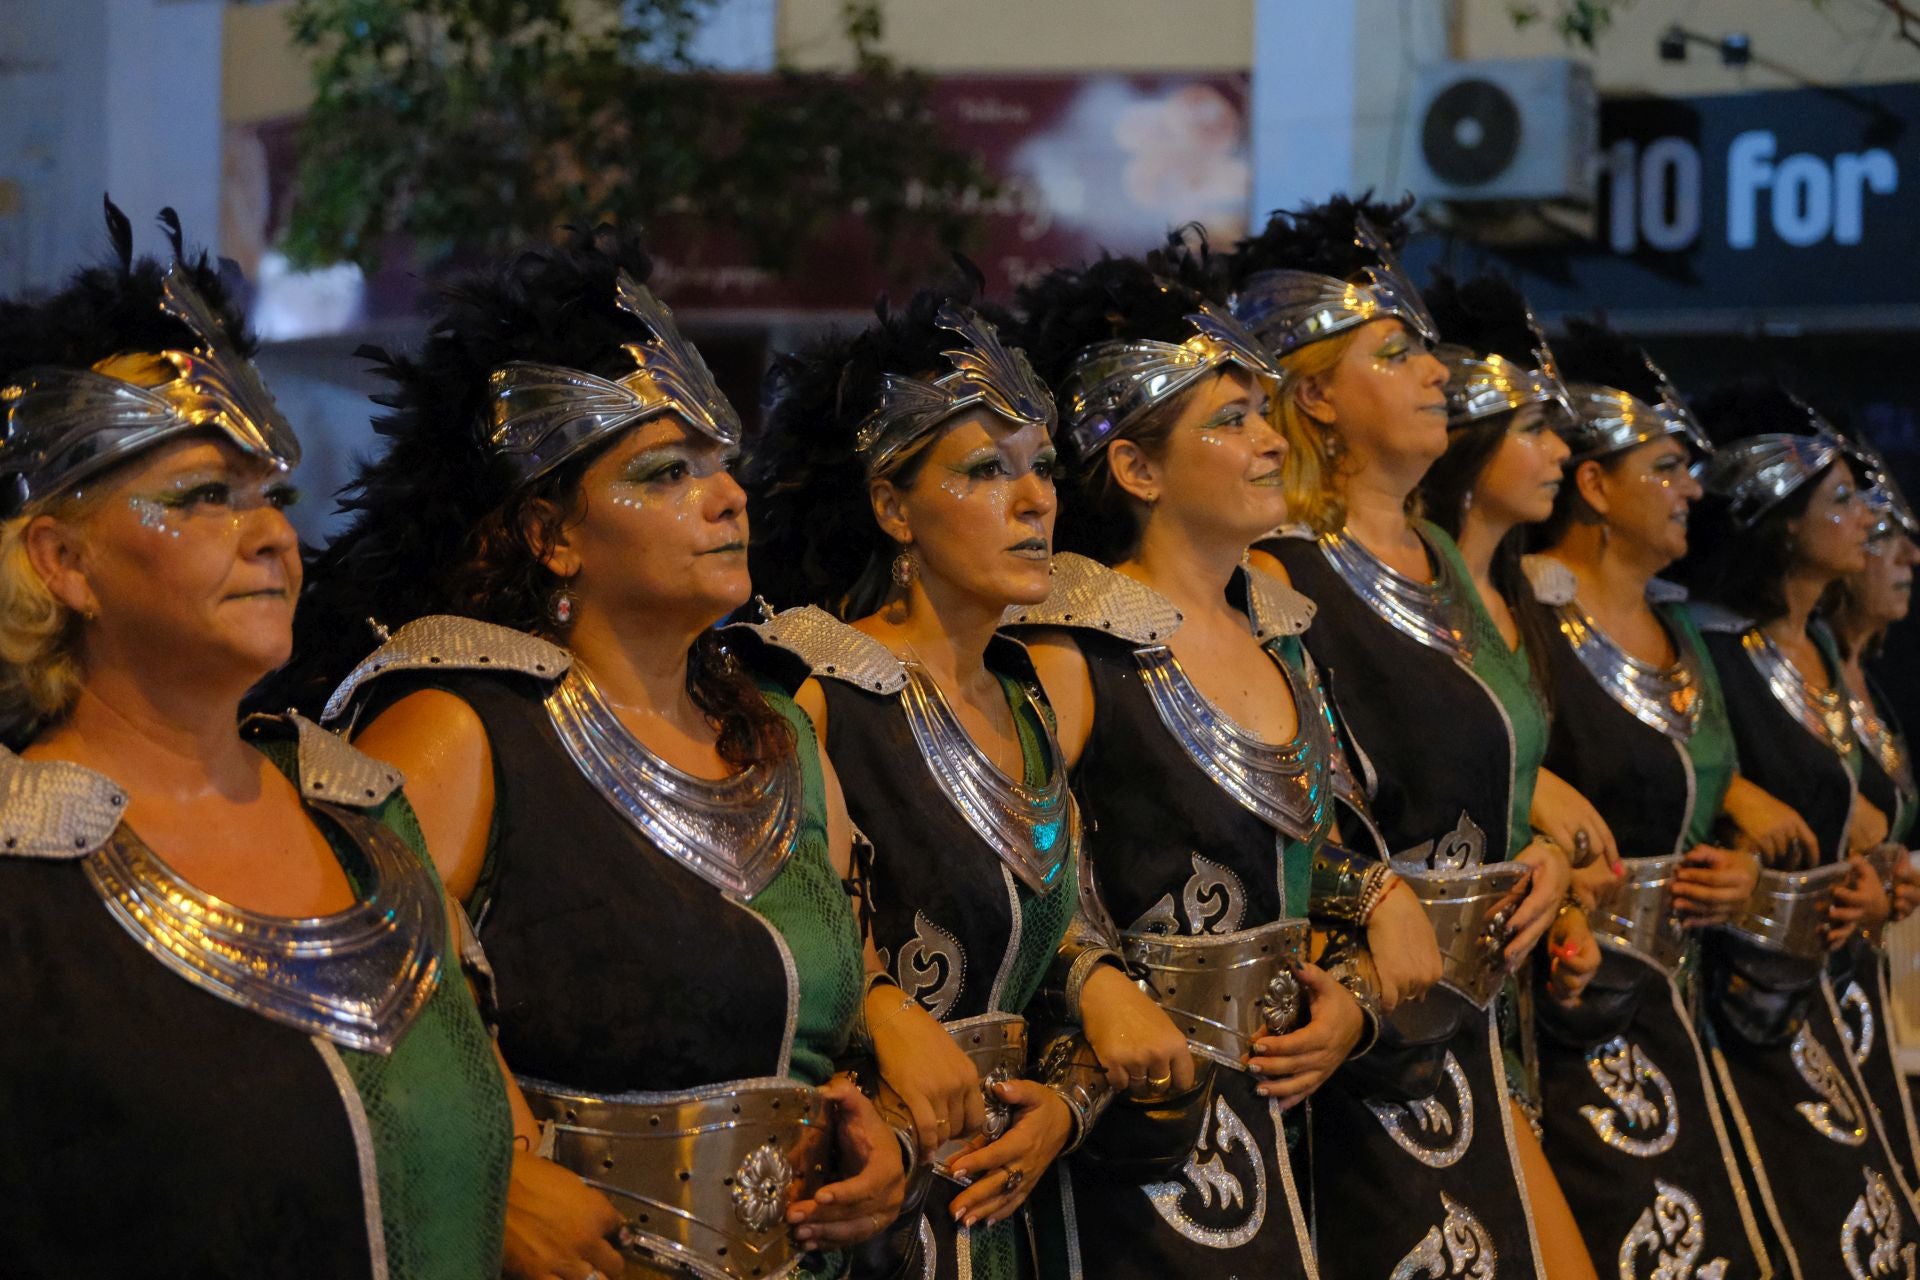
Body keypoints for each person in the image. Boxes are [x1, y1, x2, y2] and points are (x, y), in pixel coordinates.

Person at [276, 228, 905, 1279]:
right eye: (667, 473)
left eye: (722, 464)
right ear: (552, 534)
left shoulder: (781, 732)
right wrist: (495, 1172)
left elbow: (838, 995)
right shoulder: (462, 723)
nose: (726, 496)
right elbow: (344, 1018)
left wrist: (882, 1129)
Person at [0, 203, 511, 1277]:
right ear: (64, 561)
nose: (273, 533)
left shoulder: (363, 809)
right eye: (205, 498)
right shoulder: (19, 871)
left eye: (271, 495)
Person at [737, 284, 1188, 1279]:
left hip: (998, 1210)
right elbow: (771, 950)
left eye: (1039, 469)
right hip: (853, 1211)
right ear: (893, 506)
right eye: (987, 471)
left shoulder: (1024, 700)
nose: (1035, 501)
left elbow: (1071, 947)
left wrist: (1061, 1108)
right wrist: (887, 1014)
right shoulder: (815, 689)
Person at [1007, 246, 1440, 1279]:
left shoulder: (1281, 630)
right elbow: (1001, 863)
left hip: (1286, 1117)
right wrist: (1094, 981)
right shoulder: (1078, 638)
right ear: (1137, 468)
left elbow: (1301, 847)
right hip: (1130, 1135)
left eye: (1263, 412)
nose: (1265, 441)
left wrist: (1357, 960)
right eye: (1229, 420)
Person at [1234, 198, 1591, 1279]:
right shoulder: (1278, 568)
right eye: (1395, 352)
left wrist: (1550, 848)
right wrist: (1370, 903)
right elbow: (1284, 807)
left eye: (1426, 347)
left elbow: (1497, 769)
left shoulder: (1443, 550)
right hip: (1353, 1042)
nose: (1437, 370)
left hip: (1483, 1026)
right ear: (1314, 398)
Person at [1521, 316, 1775, 1276]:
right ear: (1594, 485)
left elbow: (1693, 800)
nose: (1693, 492)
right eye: (1667, 468)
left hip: (1689, 1009)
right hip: (1574, 1018)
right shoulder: (1533, 622)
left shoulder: (1687, 636)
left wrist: (1739, 858)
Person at [1682, 381, 1919, 1273]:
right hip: (1740, 1005)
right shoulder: (1705, 643)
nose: (1866, 521)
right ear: (1780, 519)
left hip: (1834, 989)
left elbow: (1851, 828)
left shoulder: (1815, 646)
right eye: (1843, 500)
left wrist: (1881, 874)